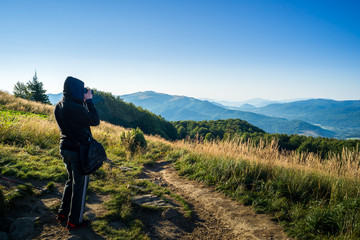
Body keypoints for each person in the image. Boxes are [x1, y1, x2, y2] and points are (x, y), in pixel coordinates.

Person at [54, 76, 100, 230]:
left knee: (70, 181)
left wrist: (83, 101)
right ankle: (75, 221)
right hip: (78, 150)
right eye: (81, 90)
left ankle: (62, 212)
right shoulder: (76, 108)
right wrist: (90, 101)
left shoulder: (59, 105)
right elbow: (95, 120)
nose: (83, 93)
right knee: (80, 185)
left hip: (65, 148)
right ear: (75, 90)